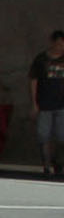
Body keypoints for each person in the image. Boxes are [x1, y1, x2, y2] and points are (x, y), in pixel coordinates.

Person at [30, 30, 64, 177]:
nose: (60, 48)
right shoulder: (41, 59)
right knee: (43, 135)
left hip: (62, 105)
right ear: (52, 43)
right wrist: (34, 103)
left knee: (61, 137)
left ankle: (56, 161)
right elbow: (33, 81)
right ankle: (46, 165)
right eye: (58, 44)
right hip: (44, 104)